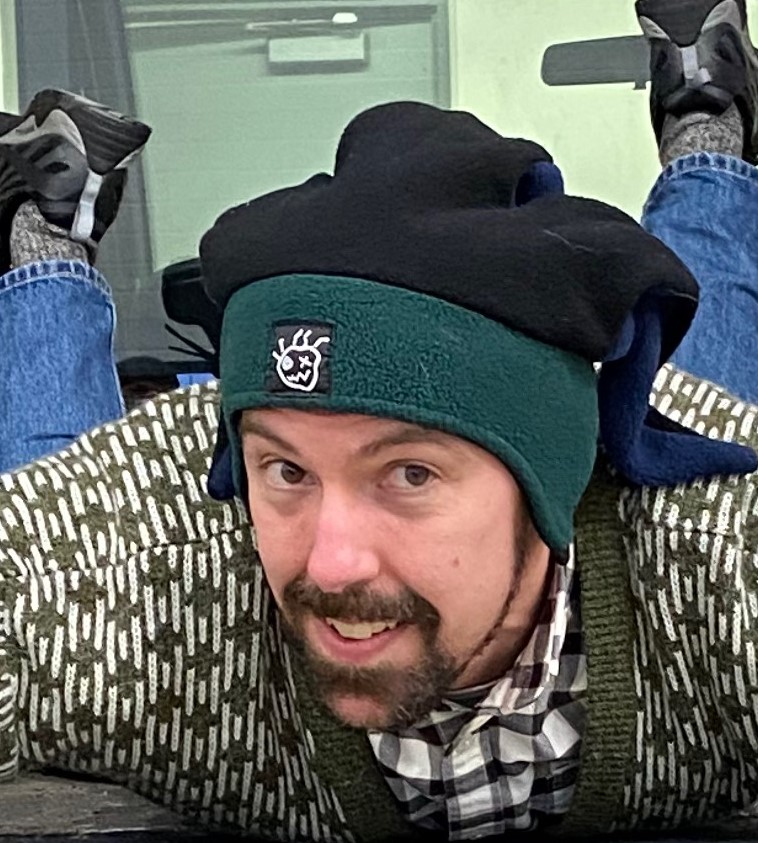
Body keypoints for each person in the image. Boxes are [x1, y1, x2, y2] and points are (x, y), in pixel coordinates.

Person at [1, 1, 758, 841]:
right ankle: (45, 231)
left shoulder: (718, 569)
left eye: (409, 472)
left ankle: (706, 118)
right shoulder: (137, 600)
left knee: (705, 342)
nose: (331, 562)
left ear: (553, 477)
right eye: (286, 469)